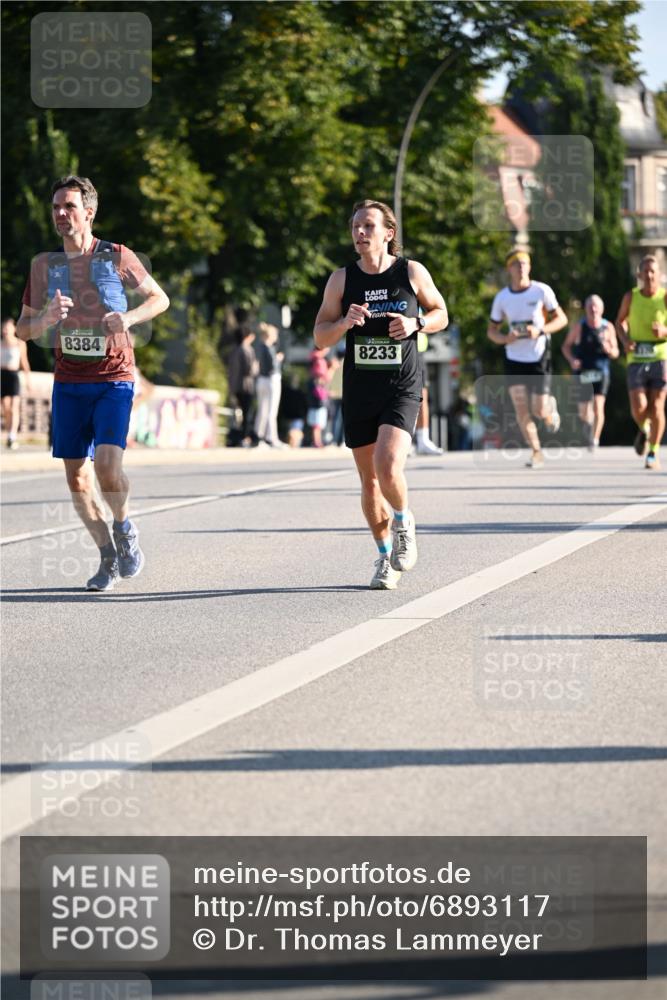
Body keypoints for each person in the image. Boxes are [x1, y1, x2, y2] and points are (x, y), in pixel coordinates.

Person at [17, 175, 169, 591]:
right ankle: (107, 556)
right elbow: (21, 330)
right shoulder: (44, 266)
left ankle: (123, 526)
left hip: (113, 378)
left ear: (89, 211)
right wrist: (46, 320)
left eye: (69, 206)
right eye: (56, 208)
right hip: (69, 382)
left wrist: (130, 318)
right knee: (77, 479)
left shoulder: (117, 256)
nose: (61, 214)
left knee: (105, 467)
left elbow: (160, 298)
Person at [313, 198, 448, 589]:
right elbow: (320, 337)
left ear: (388, 234)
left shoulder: (411, 272)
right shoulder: (341, 279)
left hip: (401, 387)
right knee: (369, 482)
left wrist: (416, 323)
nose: (359, 233)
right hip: (360, 389)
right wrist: (343, 323)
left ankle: (404, 524)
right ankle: (384, 557)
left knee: (389, 466)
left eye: (368, 226)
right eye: (356, 226)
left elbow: (441, 313)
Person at [487, 248, 568, 468]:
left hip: (539, 355)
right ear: (509, 269)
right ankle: (536, 452)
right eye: (516, 263)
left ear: (530, 267)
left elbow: (561, 319)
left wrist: (540, 331)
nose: (521, 266)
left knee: (539, 410)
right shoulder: (502, 297)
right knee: (521, 409)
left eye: (525, 263)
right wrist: (506, 338)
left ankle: (549, 408)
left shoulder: (541, 291)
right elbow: (491, 331)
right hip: (514, 358)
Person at [615, 255, 667, 471]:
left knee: (656, 407)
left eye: (653, 271)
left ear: (659, 274)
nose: (649, 275)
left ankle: (653, 452)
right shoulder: (631, 297)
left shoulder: (664, 297)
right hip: (636, 356)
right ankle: (644, 429)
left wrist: (664, 331)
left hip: (660, 355)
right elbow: (619, 322)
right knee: (639, 407)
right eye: (645, 271)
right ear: (639, 275)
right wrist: (626, 341)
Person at [562, 294, 619, 449]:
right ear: (586, 309)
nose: (593, 309)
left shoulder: (608, 327)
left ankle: (594, 439)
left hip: (601, 370)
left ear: (601, 309)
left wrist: (609, 350)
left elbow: (616, 352)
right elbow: (566, 346)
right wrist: (572, 360)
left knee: (598, 406)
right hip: (583, 371)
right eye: (590, 306)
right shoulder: (579, 326)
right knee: (583, 410)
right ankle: (588, 428)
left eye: (596, 306)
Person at [1, 317, 31, 449]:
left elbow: (24, 362)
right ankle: (9, 433)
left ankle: (12, 435)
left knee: (14, 407)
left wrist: (28, 379)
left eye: (8, 327)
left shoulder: (20, 344)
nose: (5, 330)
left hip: (14, 375)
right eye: (4, 328)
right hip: (2, 375)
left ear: (13, 329)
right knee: (5, 408)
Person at [254, 321, 285, 447]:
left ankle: (258, 435)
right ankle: (271, 437)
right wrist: (278, 359)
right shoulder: (270, 348)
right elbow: (272, 365)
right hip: (272, 380)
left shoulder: (260, 346)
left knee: (262, 409)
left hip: (261, 379)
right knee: (272, 410)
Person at [227, 325, 259, 447]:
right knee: (247, 413)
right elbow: (249, 370)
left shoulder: (234, 350)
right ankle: (245, 437)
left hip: (235, 386)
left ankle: (237, 437)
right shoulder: (247, 350)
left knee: (237, 413)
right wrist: (256, 366)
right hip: (246, 386)